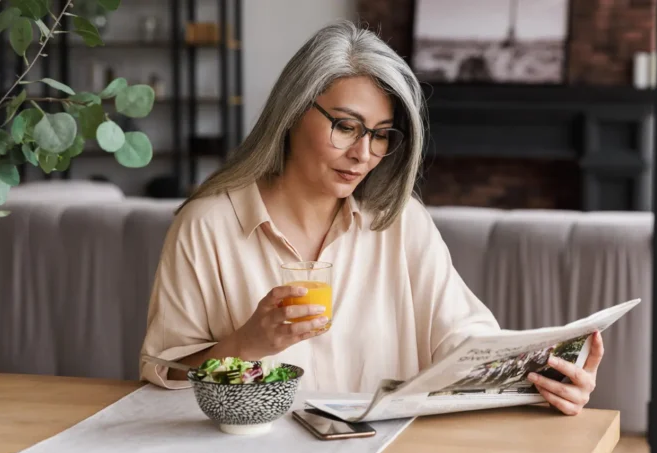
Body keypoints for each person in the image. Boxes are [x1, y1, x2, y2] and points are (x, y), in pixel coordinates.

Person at [138, 20, 603, 416]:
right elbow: (166, 372)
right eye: (345, 126)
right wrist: (247, 343)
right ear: (293, 112)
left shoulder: (401, 222)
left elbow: (463, 339)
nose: (363, 154)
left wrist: (544, 380)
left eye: (381, 135)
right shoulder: (207, 226)